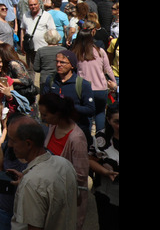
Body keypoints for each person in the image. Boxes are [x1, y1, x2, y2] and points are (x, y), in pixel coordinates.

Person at [6, 116, 78, 230]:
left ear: (28, 144)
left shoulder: (31, 182)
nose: (9, 145)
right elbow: (74, 200)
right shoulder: (65, 164)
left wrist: (29, 185)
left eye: (13, 141)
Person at [38, 92, 89, 228]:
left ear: (58, 114)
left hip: (68, 200)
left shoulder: (76, 138)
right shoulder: (53, 127)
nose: (42, 118)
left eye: (45, 115)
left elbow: (81, 175)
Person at [89, 102, 119, 230]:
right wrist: (105, 172)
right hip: (106, 193)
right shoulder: (101, 138)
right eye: (117, 121)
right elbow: (89, 160)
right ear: (108, 120)